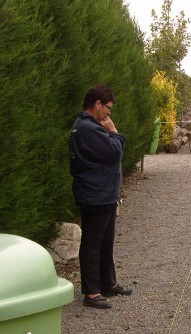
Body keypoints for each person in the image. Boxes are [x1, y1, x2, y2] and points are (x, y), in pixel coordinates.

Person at [69, 85, 132, 309]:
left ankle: (108, 284)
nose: (109, 113)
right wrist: (114, 132)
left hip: (103, 193)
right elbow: (115, 152)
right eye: (108, 108)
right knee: (92, 244)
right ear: (97, 104)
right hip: (95, 194)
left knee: (105, 243)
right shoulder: (88, 129)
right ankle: (92, 293)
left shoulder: (89, 126)